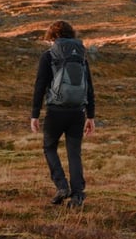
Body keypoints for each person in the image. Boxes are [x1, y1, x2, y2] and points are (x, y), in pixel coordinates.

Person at [30, 20, 96, 207]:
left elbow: (40, 85)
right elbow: (89, 87)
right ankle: (77, 195)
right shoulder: (81, 55)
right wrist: (90, 116)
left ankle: (61, 186)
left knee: (49, 147)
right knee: (74, 153)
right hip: (77, 112)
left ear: (53, 37)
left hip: (56, 111)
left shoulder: (49, 55)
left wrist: (34, 114)